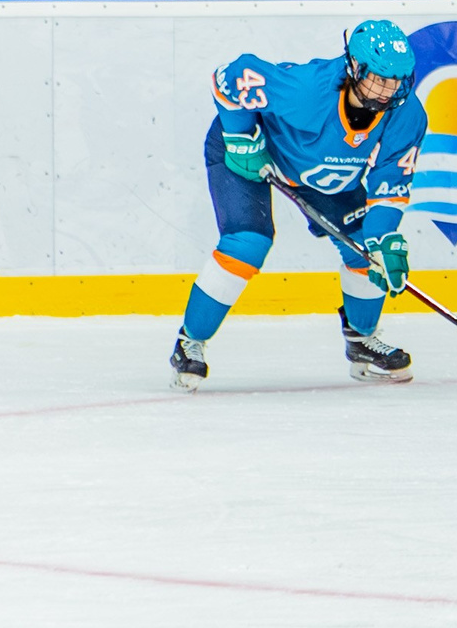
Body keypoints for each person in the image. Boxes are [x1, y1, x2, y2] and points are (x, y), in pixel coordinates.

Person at [170, 21, 428, 390]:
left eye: (398, 80)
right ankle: (189, 342)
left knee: (364, 251)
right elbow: (228, 78)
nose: (389, 90)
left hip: (325, 174)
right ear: (355, 67)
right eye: (379, 79)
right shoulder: (307, 90)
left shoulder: (407, 114)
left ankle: (361, 341)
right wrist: (241, 135)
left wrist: (382, 240)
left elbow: (389, 187)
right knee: (248, 243)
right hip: (256, 156)